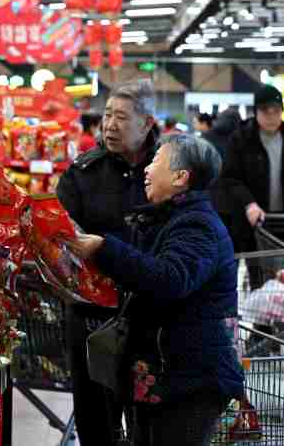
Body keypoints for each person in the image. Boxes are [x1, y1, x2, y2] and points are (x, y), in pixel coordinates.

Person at [67, 134, 244, 446]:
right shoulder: (167, 219)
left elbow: (169, 279)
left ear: (180, 177)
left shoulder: (196, 226)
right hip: (166, 375)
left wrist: (104, 249)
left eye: (156, 162)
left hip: (189, 382)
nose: (147, 169)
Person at [56, 79, 158, 446]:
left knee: (151, 419)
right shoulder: (83, 173)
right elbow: (59, 234)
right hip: (92, 314)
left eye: (122, 118)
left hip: (152, 313)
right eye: (108, 116)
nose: (110, 125)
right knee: (95, 418)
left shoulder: (167, 170)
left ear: (147, 123)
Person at [220, 85, 284, 254]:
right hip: (255, 222)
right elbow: (231, 178)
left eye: (276, 111)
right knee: (258, 266)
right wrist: (249, 203)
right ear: (256, 111)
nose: (271, 116)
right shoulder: (241, 139)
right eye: (265, 111)